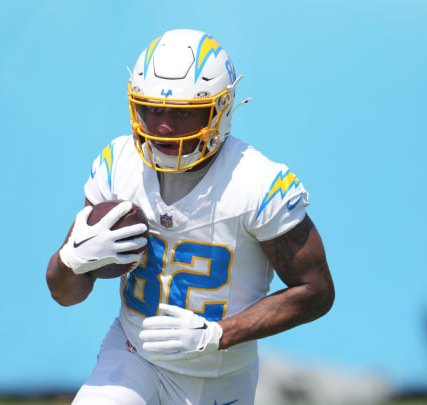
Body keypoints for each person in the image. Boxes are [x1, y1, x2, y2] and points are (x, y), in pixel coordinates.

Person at [46, 28, 335, 405]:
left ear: (220, 109)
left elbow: (316, 291)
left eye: (183, 113)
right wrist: (72, 261)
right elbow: (63, 293)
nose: (163, 126)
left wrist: (216, 334)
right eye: (152, 107)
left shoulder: (257, 183)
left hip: (220, 374)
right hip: (134, 356)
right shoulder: (118, 166)